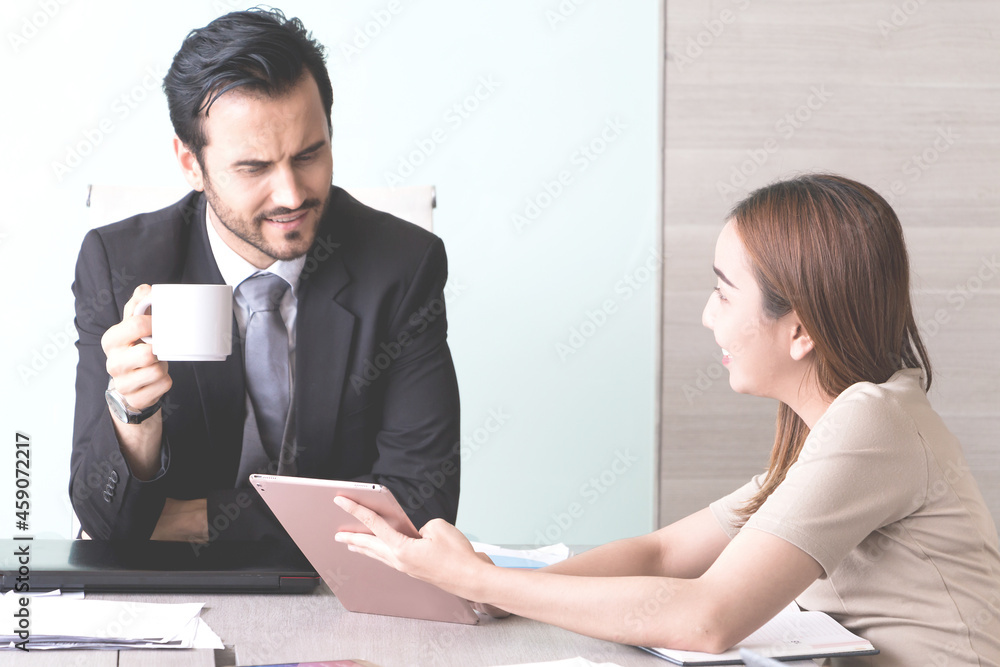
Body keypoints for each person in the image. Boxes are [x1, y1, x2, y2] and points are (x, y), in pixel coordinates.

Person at [334, 175, 1000, 666]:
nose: (709, 316)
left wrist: (480, 581)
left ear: (798, 329)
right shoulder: (833, 427)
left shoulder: (872, 424)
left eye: (721, 291)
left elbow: (708, 618)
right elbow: (663, 552)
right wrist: (494, 591)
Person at [69, 8, 461, 542]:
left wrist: (191, 520)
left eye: (309, 154)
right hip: (171, 591)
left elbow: (420, 505)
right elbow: (107, 522)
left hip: (341, 594)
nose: (292, 195)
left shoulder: (403, 265)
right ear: (190, 162)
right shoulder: (118, 264)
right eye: (254, 168)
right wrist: (133, 417)